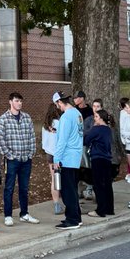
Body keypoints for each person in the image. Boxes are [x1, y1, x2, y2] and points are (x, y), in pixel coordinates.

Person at [0, 92, 38, 225]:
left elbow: (32, 136)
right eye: (16, 100)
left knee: (24, 187)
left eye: (20, 101)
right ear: (10, 102)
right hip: (12, 160)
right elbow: (0, 139)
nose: (19, 103)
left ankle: (24, 213)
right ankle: (8, 215)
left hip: (26, 159)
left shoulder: (27, 117)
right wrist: (9, 155)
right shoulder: (3, 119)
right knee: (9, 187)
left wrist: (31, 153)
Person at [52, 92, 83, 229]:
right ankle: (77, 216)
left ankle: (72, 219)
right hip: (76, 156)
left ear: (59, 102)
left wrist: (56, 158)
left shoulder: (65, 117)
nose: (57, 107)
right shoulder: (78, 114)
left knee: (67, 190)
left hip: (67, 157)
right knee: (73, 188)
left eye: (57, 104)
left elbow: (62, 140)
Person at [84, 110, 115, 218]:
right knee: (107, 184)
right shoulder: (108, 130)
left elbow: (86, 140)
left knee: (98, 185)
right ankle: (109, 208)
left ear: (101, 118)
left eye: (96, 117)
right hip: (107, 159)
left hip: (97, 158)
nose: (95, 119)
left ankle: (100, 210)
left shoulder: (96, 129)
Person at [41, 103, 63, 216]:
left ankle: (56, 204)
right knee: (63, 179)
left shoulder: (45, 125)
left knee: (54, 179)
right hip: (60, 154)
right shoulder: (60, 123)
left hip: (49, 154)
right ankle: (66, 202)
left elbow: (43, 143)